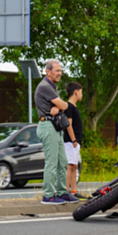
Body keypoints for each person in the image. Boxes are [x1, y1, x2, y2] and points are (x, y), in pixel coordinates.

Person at [35, 59, 78, 205]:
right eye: (57, 70)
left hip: (55, 126)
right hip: (47, 125)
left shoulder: (53, 88)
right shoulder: (45, 86)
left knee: (63, 161)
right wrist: (60, 106)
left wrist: (58, 107)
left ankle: (62, 193)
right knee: (52, 163)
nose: (60, 73)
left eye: (60, 70)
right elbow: (64, 104)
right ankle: (48, 196)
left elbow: (63, 105)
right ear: (48, 72)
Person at [63, 82, 86, 199]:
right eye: (81, 92)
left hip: (75, 142)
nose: (82, 95)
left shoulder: (74, 107)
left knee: (74, 166)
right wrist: (73, 140)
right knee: (70, 166)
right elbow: (68, 125)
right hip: (71, 141)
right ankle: (66, 190)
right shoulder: (69, 106)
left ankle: (73, 191)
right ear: (76, 92)